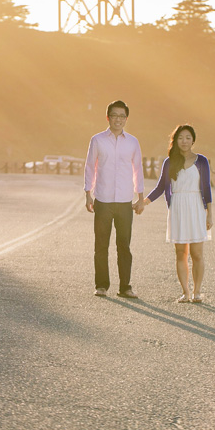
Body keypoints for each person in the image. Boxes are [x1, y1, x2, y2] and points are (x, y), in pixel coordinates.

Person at [136, 124, 212, 303]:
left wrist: (209, 214)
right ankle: (185, 292)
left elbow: (207, 188)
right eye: (180, 138)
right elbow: (161, 187)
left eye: (187, 137)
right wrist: (144, 202)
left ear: (193, 140)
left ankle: (197, 292)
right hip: (177, 207)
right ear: (175, 140)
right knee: (180, 253)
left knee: (197, 253)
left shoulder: (201, 161)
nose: (184, 141)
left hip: (196, 207)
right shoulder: (169, 162)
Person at [84, 100, 144, 298]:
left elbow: (138, 169)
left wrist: (140, 197)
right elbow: (90, 167)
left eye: (122, 116)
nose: (118, 119)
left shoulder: (133, 142)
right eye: (114, 115)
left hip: (125, 201)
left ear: (126, 119)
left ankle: (125, 287)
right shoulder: (98, 140)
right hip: (103, 199)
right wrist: (88, 194)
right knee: (101, 245)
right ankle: (101, 285)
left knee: (124, 245)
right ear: (108, 117)